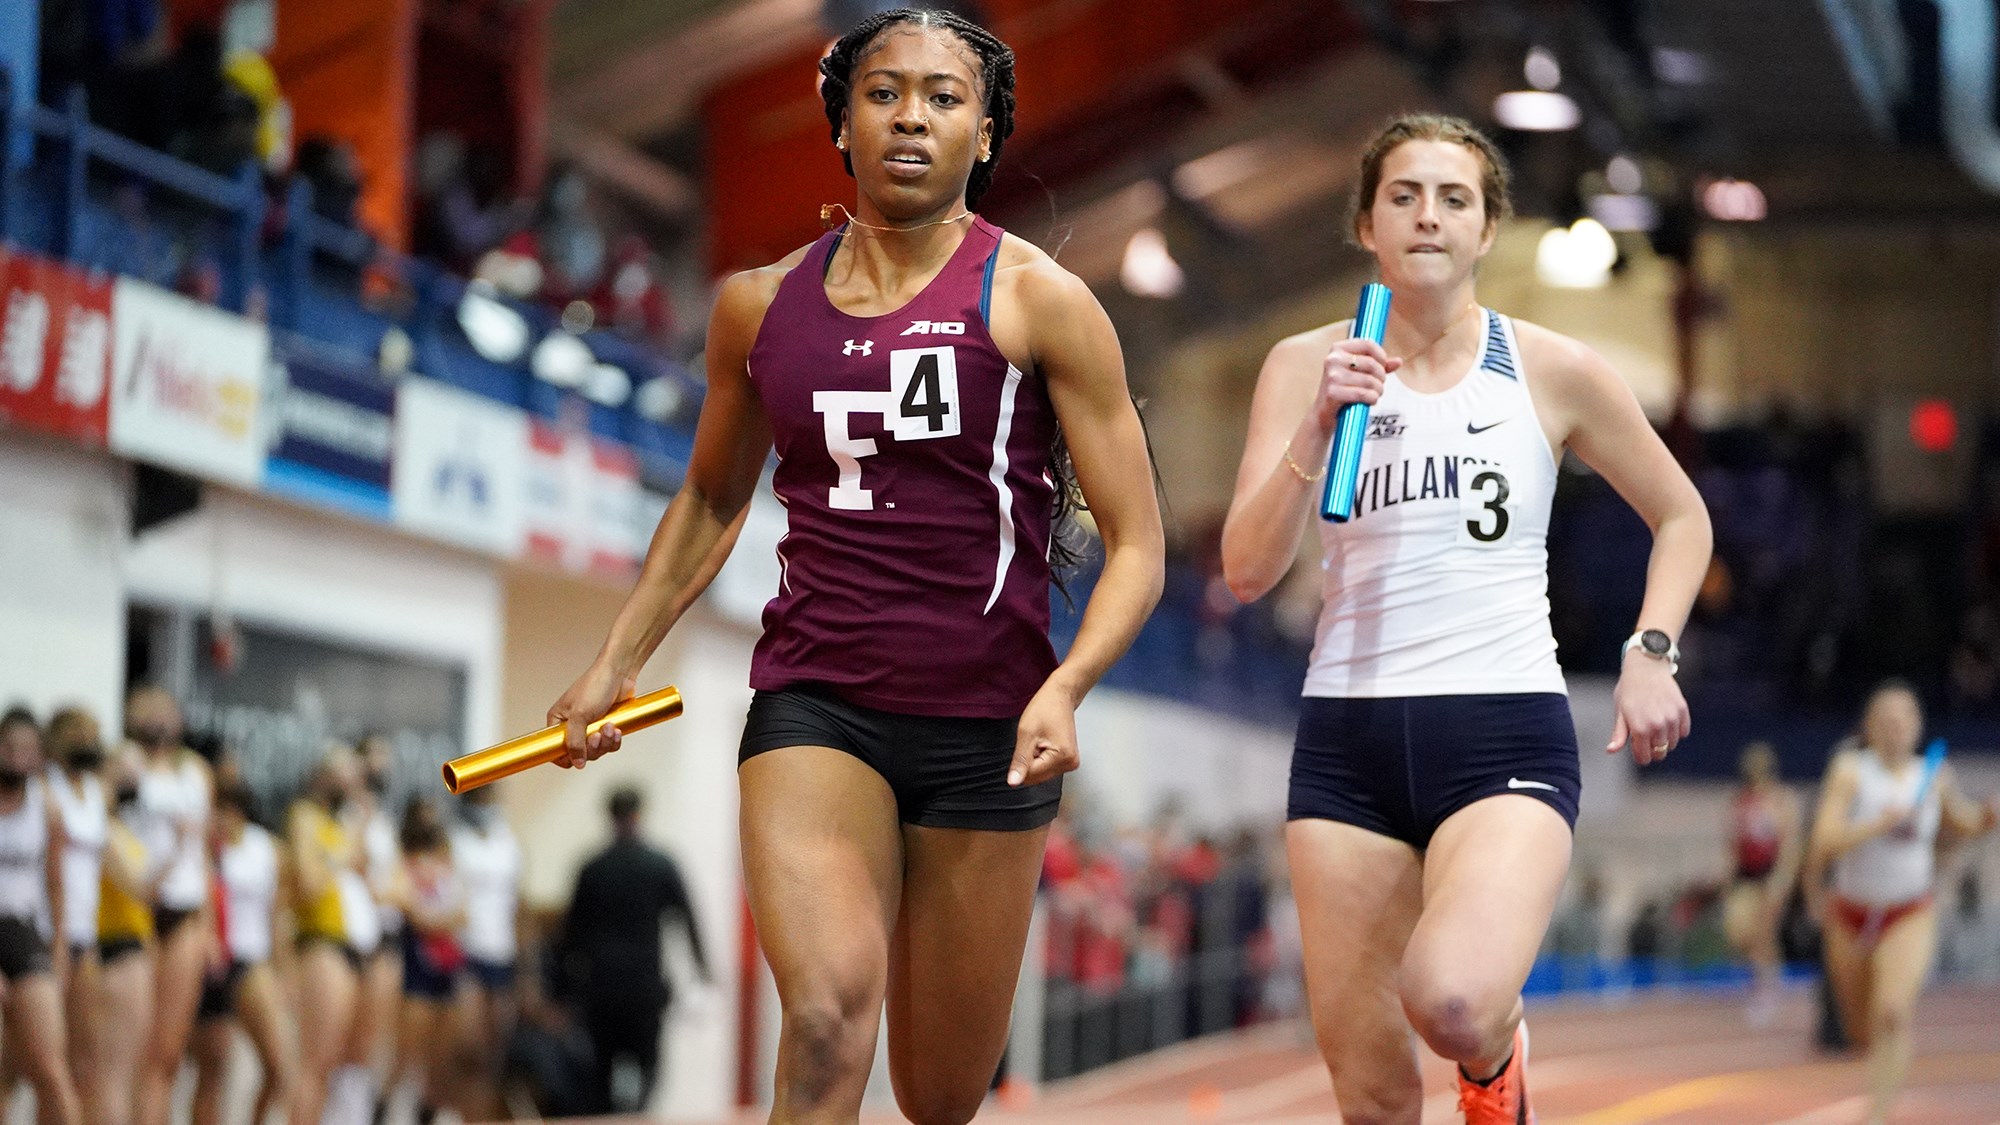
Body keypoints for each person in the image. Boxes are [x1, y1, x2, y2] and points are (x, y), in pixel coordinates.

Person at [545, 9, 1164, 1122]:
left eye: (942, 96)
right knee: (828, 1019)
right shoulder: (756, 306)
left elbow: (1139, 544)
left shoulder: (1037, 303)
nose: (910, 117)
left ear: (984, 131)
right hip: (817, 705)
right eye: (883, 94)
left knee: (937, 1096)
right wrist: (614, 660)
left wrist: (1066, 685)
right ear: (841, 123)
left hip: (989, 729)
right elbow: (708, 496)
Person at [1220, 113, 1712, 1125]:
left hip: (1500, 732)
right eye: (1402, 196)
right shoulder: (1301, 365)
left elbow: (1680, 515)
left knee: (1451, 999)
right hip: (1345, 738)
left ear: (1487, 230)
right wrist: (1315, 423)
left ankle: (1494, 1062)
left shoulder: (1549, 368)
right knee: (1369, 1089)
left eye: (1452, 198)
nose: (1427, 217)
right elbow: (1244, 569)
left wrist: (1649, 652)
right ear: (1365, 223)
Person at [1805, 680, 1999, 1125]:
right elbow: (1825, 838)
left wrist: (1986, 819)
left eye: (1905, 720)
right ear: (1869, 728)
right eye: (1886, 721)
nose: (1896, 729)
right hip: (1851, 914)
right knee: (1859, 1032)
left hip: (1908, 912)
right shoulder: (1851, 771)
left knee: (1892, 1012)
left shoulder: (1933, 775)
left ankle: (1877, 1116)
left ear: (1917, 727)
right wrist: (1877, 824)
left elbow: (1963, 822)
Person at [560, 786, 710, 1114]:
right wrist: (702, 971)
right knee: (649, 1069)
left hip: (602, 987)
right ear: (639, 814)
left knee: (601, 1073)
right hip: (644, 986)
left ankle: (612, 1116)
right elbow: (687, 919)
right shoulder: (659, 865)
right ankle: (637, 1116)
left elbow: (572, 936)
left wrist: (566, 989)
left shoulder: (593, 868)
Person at [125, 685, 213, 1125]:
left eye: (167, 711)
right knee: (131, 1050)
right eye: (149, 711)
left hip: (183, 907)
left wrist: (211, 927)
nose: (159, 720)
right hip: (135, 907)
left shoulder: (195, 773)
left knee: (167, 1052)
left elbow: (204, 856)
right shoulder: (126, 765)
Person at [190, 779, 295, 1125]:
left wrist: (282, 970)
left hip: (251, 957)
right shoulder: (204, 849)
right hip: (215, 961)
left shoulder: (265, 848)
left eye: (230, 810)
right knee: (213, 1072)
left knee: (280, 1065)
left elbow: (277, 912)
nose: (224, 818)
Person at [0, 708, 85, 1125]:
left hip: (23, 931)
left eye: (27, 749)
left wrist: (59, 947)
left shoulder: (45, 806)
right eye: (9, 747)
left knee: (51, 1070)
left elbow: (55, 884)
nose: (17, 757)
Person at [287, 747, 366, 1125]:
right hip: (319, 942)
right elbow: (307, 881)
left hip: (344, 943)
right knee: (312, 1064)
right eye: (343, 776)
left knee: (329, 1063)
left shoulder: (337, 825)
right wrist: (340, 854)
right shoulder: (306, 817)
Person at [43, 708, 111, 1125]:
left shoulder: (95, 791)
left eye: (93, 732)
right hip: (52, 930)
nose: (87, 741)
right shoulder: (43, 788)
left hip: (87, 930)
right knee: (36, 1060)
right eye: (78, 733)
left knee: (84, 1059)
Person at [449, 782, 521, 1121]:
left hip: (501, 950)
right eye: (481, 798)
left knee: (497, 1052)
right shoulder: (455, 841)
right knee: (469, 1048)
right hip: (467, 950)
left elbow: (517, 900)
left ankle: (486, 1116)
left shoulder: (507, 840)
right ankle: (463, 1114)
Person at [389, 801, 464, 1125]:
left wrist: (436, 918)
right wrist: (437, 919)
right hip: (415, 971)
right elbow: (414, 913)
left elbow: (462, 913)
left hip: (445, 970)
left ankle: (427, 1116)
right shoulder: (403, 870)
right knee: (406, 1058)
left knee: (441, 1061)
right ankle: (383, 1111)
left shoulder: (445, 870)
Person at [96, 748, 160, 1125]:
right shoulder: (101, 829)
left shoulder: (118, 828)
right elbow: (139, 887)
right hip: (117, 949)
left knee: (113, 1074)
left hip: (128, 945)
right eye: (126, 775)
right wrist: (180, 849)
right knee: (112, 1076)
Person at [1721, 741, 1803, 1026]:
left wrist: (1781, 882)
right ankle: (1763, 978)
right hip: (1746, 876)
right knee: (1737, 930)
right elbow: (1733, 844)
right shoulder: (1740, 800)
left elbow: (1790, 845)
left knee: (1762, 934)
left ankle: (1765, 987)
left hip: (1770, 876)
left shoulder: (1781, 800)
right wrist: (1727, 880)